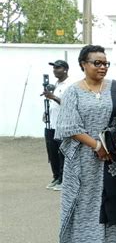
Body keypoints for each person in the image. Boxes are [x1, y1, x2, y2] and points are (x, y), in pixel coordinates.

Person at [55, 45, 116, 243]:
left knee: (112, 201)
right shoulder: (73, 92)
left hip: (114, 159)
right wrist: (96, 145)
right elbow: (69, 126)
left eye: (105, 63)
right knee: (87, 205)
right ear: (83, 64)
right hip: (84, 159)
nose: (102, 67)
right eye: (97, 63)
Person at [44, 60, 70, 191]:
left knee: (62, 153)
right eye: (54, 68)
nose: (55, 70)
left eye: (58, 68)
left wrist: (53, 97)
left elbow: (68, 104)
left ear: (65, 69)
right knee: (52, 152)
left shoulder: (69, 85)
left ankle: (63, 179)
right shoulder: (56, 84)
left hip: (62, 125)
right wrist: (46, 113)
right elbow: (54, 104)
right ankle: (56, 176)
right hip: (51, 124)